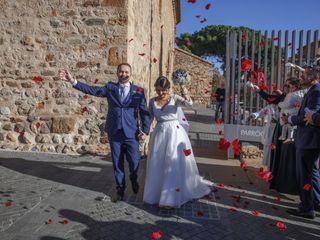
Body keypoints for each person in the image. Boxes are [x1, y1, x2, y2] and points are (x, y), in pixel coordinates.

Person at [58, 63, 152, 202]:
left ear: (130, 74)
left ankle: (133, 178)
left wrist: (145, 130)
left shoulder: (138, 91)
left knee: (134, 162)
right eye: (121, 72)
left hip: (132, 133)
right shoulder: (110, 88)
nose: (123, 74)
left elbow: (144, 113)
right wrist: (73, 81)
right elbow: (93, 90)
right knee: (117, 163)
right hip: (115, 132)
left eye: (126, 72)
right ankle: (120, 189)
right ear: (117, 73)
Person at [143, 76, 211, 208]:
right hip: (159, 133)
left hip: (174, 133)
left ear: (168, 89)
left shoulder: (174, 98)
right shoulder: (152, 101)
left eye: (163, 90)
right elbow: (150, 119)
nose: (161, 93)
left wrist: (184, 89)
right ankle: (157, 194)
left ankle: (170, 197)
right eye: (158, 90)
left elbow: (189, 104)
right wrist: (144, 133)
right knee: (158, 162)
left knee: (172, 161)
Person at [282, 66, 320, 219]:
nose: (302, 78)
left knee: (304, 174)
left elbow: (309, 116)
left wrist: (290, 119)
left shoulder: (316, 91)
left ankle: (306, 208)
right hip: (310, 140)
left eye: (305, 75)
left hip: (309, 140)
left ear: (314, 76)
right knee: (313, 173)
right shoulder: (314, 90)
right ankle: (316, 202)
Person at [247, 103, 279, 169]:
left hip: (278, 129)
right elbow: (261, 113)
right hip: (269, 129)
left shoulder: (282, 106)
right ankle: (268, 167)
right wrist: (253, 115)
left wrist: (277, 120)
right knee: (267, 147)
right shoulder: (269, 107)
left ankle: (274, 167)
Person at [278, 78, 305, 143]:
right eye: (290, 87)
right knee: (288, 125)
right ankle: (287, 137)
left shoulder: (293, 94)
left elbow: (288, 104)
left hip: (292, 111)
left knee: (288, 125)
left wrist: (279, 104)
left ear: (296, 87)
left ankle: (289, 137)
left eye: (292, 87)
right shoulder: (299, 93)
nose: (290, 89)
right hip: (295, 111)